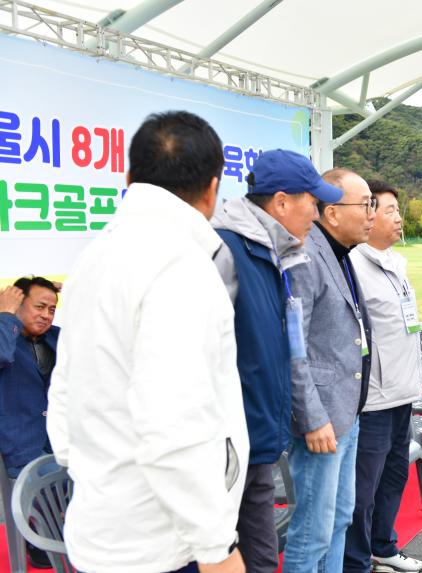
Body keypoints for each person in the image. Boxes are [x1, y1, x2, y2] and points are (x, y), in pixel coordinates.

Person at [47, 111, 250, 573]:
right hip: (162, 542)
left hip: (103, 523)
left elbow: (64, 386)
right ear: (213, 189)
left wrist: (94, 466)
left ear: (129, 176)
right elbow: (173, 425)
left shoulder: (93, 257)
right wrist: (217, 548)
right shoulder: (181, 267)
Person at [211, 149, 343, 572]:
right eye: (313, 201)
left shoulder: (274, 250)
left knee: (263, 558)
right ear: (282, 202)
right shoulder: (226, 252)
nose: (318, 213)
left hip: (258, 438)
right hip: (229, 443)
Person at [284, 167, 375, 573]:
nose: (372, 212)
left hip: (346, 413)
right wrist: (312, 417)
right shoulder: (306, 254)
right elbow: (293, 347)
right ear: (333, 212)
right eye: (366, 203)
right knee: (312, 532)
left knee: (339, 519)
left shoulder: (340, 253)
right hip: (320, 421)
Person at [344, 179, 422, 573]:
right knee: (363, 488)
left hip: (403, 391)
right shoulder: (353, 265)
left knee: (394, 473)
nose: (398, 218)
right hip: (373, 399)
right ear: (368, 214)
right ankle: (357, 560)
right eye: (389, 210)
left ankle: (383, 545)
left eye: (397, 210)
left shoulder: (395, 264)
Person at [0, 276, 60, 569]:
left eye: (51, 309)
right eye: (39, 306)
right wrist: (6, 315)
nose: (46, 315)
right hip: (23, 449)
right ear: (17, 302)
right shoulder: (4, 333)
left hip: (63, 443)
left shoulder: (58, 338)